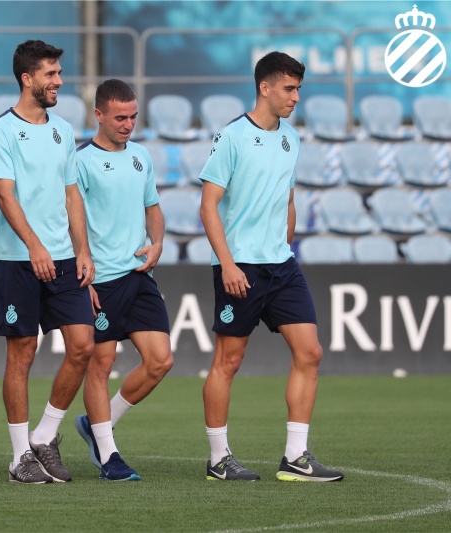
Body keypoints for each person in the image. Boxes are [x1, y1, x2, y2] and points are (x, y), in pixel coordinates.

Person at [198, 51, 343, 482]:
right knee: (229, 360)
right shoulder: (232, 137)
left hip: (281, 265)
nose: (296, 97)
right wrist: (227, 264)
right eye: (289, 89)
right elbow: (208, 206)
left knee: (310, 352)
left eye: (298, 89)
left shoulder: (291, 138)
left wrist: (285, 246)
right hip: (240, 265)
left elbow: (288, 200)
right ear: (265, 87)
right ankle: (218, 459)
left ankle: (295, 457)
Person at [0, 40, 95, 484]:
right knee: (22, 353)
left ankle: (44, 436)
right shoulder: (2, 130)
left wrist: (83, 249)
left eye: (59, 73)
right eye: (51, 74)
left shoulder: (63, 130)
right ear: (27, 78)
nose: (59, 82)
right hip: (19, 259)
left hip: (64, 259)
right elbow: (4, 194)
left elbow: (72, 194)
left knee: (83, 345)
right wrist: (34, 245)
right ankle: (19, 458)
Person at [72, 79, 174, 481]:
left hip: (139, 274)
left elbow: (153, 208)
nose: (128, 124)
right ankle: (109, 455)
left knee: (160, 361)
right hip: (101, 279)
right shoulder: (81, 162)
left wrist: (157, 242)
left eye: (133, 116)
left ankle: (99, 423)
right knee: (101, 364)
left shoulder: (141, 156)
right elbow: (72, 222)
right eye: (120, 117)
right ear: (98, 115)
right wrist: (83, 274)